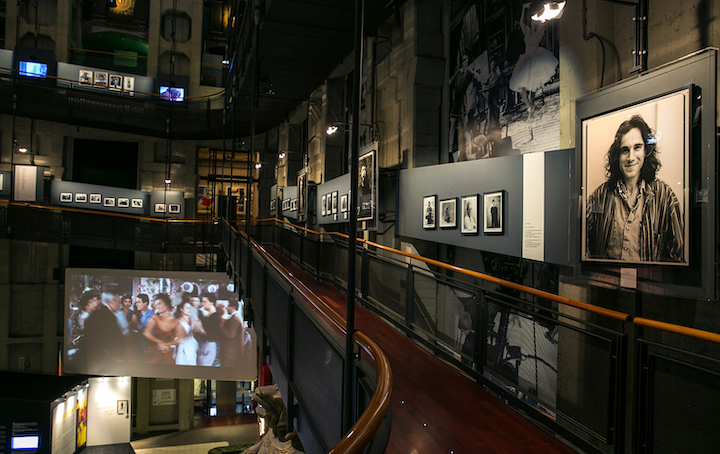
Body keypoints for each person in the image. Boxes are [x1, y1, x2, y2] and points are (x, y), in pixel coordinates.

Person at [586, 115, 684, 262]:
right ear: (617, 156)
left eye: (637, 147)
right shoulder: (598, 197)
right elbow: (582, 243)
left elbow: (679, 253)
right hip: (607, 281)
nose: (631, 157)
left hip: (648, 283)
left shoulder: (666, 197)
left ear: (646, 151)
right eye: (625, 150)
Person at [508, 2, 559, 140]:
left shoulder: (537, 33)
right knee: (522, 86)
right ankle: (530, 108)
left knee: (532, 87)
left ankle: (531, 110)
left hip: (534, 58)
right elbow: (521, 23)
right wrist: (524, 9)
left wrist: (543, 14)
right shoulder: (528, 32)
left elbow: (543, 21)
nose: (534, 25)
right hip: (528, 58)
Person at [84, 292, 124, 366]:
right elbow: (112, 340)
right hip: (102, 357)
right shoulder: (108, 316)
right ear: (112, 301)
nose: (119, 305)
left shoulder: (97, 313)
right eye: (118, 302)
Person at [143, 294, 181, 364]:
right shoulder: (155, 318)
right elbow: (146, 332)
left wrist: (167, 344)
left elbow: (180, 339)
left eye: (160, 304)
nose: (157, 307)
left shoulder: (176, 320)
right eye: (156, 304)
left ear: (167, 305)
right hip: (156, 351)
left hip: (168, 352)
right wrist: (159, 342)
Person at [175, 301, 204, 366]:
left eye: (190, 308)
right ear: (181, 309)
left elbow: (199, 331)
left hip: (192, 346)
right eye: (187, 308)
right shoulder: (178, 322)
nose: (189, 310)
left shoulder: (192, 320)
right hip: (183, 347)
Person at [198, 292, 222, 366]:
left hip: (209, 345)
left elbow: (211, 335)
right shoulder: (208, 316)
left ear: (211, 303)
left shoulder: (215, 317)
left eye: (205, 301)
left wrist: (200, 330)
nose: (202, 304)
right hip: (205, 345)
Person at [220, 299, 247, 367]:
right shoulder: (236, 317)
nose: (226, 308)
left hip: (230, 352)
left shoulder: (235, 319)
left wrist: (222, 327)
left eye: (228, 306)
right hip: (232, 352)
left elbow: (231, 335)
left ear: (233, 307)